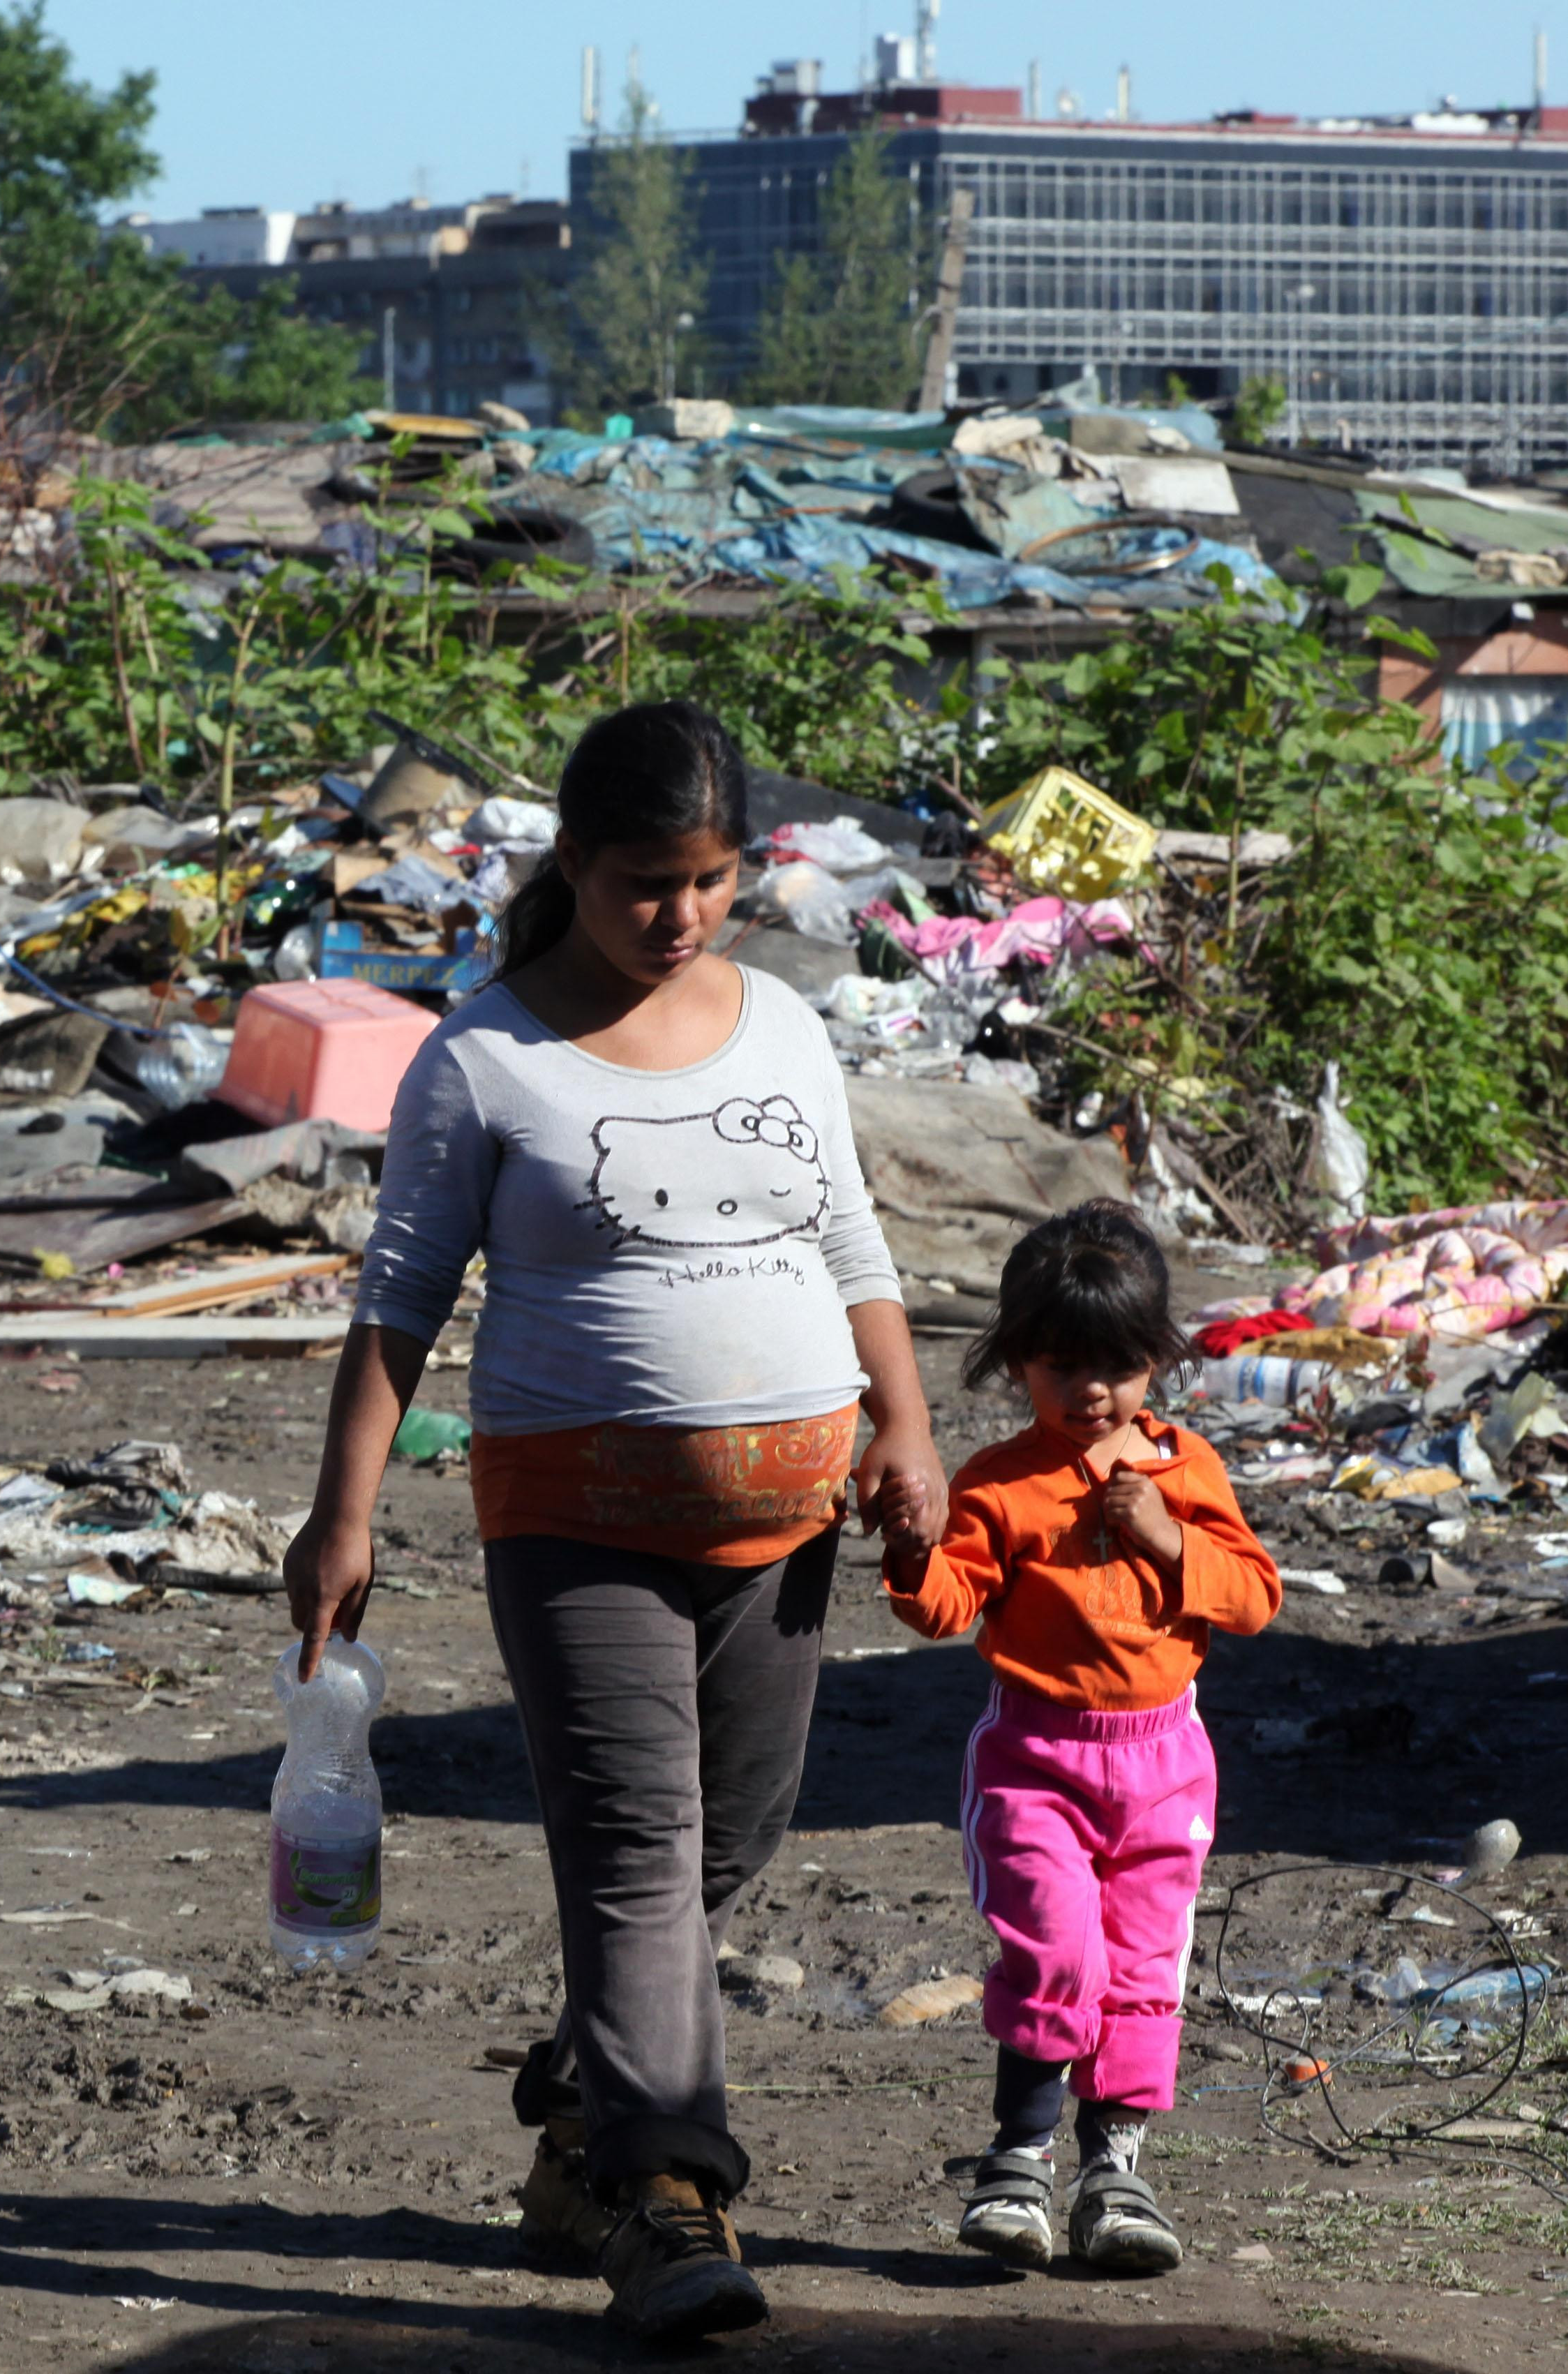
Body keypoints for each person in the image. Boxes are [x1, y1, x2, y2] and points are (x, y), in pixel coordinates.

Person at [284, 699, 946, 2344]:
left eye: (715, 880)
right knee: (640, 1847)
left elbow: (850, 1239)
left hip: (786, 1522)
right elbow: (397, 1308)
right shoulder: (487, 1056)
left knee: (741, 1832)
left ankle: (583, 2109)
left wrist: (910, 1425)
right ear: (573, 863)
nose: (683, 915)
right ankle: (665, 2198)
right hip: (573, 1521)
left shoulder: (786, 1028)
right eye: (650, 881)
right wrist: (340, 1517)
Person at [877, 1200, 1280, 2275]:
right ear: (1015, 1362)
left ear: (1155, 1359)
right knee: (1057, 1951)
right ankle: (1018, 2155)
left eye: (1115, 1363)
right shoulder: (998, 1480)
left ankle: (1117, 2169)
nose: (1089, 1389)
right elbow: (946, 1602)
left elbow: (1251, 1598)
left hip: (1164, 1761)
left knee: (1144, 1966)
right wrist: (915, 1553)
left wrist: (1164, 1538)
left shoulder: (1183, 1471)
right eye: (1061, 1364)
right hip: (1035, 1758)